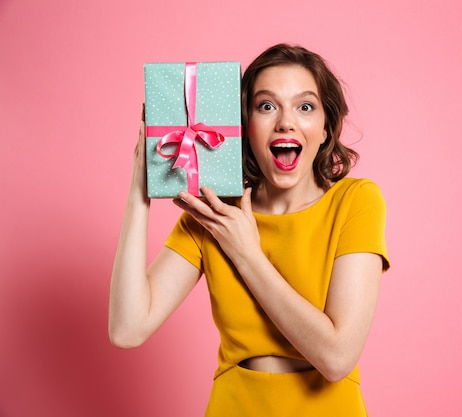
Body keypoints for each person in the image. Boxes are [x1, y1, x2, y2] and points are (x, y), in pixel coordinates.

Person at [109, 43, 390, 416]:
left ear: (325, 128)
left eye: (305, 107)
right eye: (266, 106)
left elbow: (336, 357)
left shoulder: (356, 201)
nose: (285, 122)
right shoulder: (213, 213)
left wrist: (246, 253)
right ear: (244, 127)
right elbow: (127, 329)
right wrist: (139, 189)